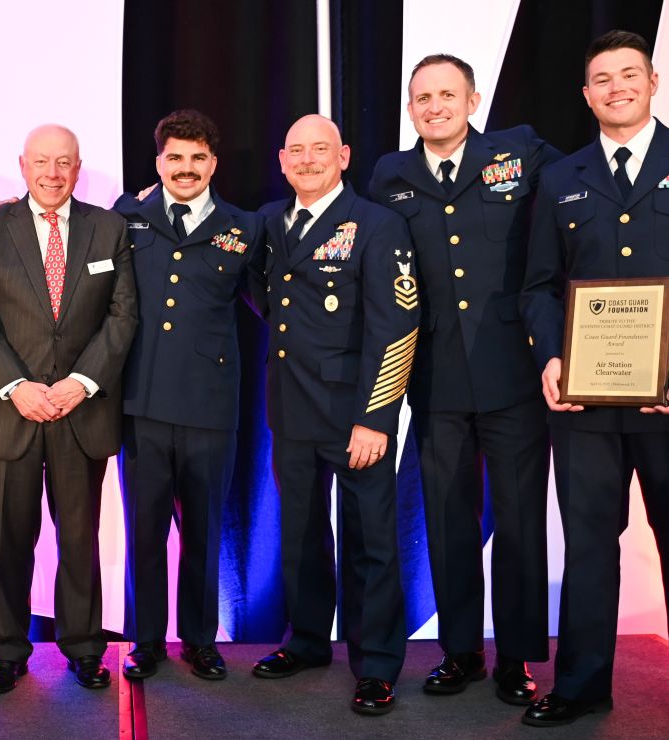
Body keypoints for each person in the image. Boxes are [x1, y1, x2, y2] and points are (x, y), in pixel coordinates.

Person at [368, 54, 669, 708]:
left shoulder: (524, 153)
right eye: (422, 97)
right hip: (436, 378)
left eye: (447, 94)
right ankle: (460, 653)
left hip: (520, 375)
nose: (435, 107)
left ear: (472, 98)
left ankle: (514, 658)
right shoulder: (388, 175)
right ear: (410, 107)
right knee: (447, 523)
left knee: (518, 525)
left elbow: (611, 166)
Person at [519, 31, 669, 740]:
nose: (616, 87)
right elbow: (538, 287)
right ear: (587, 94)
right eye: (602, 79)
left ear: (653, 82)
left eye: (629, 75)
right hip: (588, 402)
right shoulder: (560, 177)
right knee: (590, 545)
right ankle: (581, 685)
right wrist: (550, 357)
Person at [0, 124, 137, 694]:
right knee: (10, 538)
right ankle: (6, 649)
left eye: (64, 162)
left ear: (78, 168)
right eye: (42, 161)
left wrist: (83, 382)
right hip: (11, 412)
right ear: (23, 165)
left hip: (81, 411)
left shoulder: (108, 228)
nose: (53, 173)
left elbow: (122, 315)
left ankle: (85, 647)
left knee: (80, 539)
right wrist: (16, 385)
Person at [250, 114, 417, 716]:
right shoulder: (270, 222)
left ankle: (375, 665)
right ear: (281, 158)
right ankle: (307, 639)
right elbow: (261, 292)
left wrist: (377, 417)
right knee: (299, 535)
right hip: (290, 409)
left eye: (321, 149)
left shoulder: (378, 224)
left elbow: (397, 327)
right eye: (297, 150)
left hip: (355, 413)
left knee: (371, 541)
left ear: (344, 156)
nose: (308, 159)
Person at [113, 110, 263, 681]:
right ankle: (147, 640)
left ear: (214, 164)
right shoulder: (129, 217)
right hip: (142, 403)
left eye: (198, 158)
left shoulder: (243, 227)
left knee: (203, 529)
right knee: (144, 532)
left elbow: (274, 304)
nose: (186, 168)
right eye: (175, 157)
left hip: (209, 406)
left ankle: (200, 640)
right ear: (158, 163)